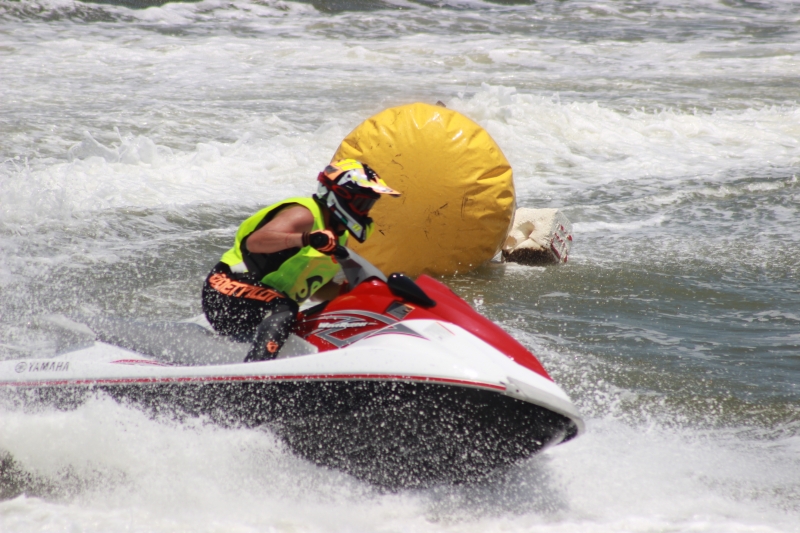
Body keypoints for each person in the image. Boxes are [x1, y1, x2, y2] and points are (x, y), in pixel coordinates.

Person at [202, 159, 400, 361]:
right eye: (362, 203)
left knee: (314, 318)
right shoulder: (305, 215)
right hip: (224, 291)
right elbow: (256, 242)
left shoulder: (338, 236)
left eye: (369, 205)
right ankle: (253, 376)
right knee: (285, 308)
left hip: (262, 304)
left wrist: (351, 293)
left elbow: (315, 291)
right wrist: (306, 238)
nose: (365, 211)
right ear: (340, 196)